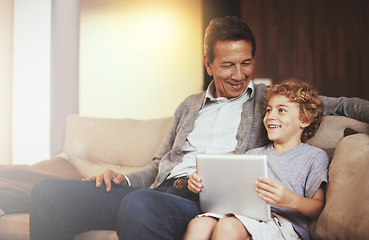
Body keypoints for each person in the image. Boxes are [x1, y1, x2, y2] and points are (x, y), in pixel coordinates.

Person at [29, 16, 369, 240]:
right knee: (48, 194)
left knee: (140, 206)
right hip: (159, 190)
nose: (239, 75)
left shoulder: (267, 99)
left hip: (203, 199)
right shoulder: (189, 105)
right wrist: (124, 177)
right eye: (227, 65)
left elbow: (338, 104)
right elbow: (157, 163)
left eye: (246, 63)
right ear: (207, 64)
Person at [184, 80, 327, 240]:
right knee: (199, 225)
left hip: (283, 224)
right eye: (268, 110)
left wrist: (290, 200)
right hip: (245, 216)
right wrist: (201, 183)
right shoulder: (252, 155)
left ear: (305, 120)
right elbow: (231, 192)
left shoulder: (314, 157)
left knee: (229, 227)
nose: (270, 116)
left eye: (281, 110)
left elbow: (318, 206)